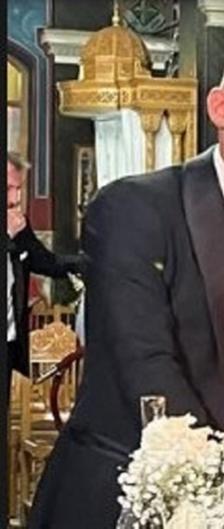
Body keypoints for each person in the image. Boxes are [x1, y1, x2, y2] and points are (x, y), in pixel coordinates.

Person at [30, 32, 224, 528]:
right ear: (221, 108)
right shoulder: (132, 210)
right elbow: (145, 367)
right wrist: (220, 499)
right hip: (118, 501)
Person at [3, 152, 84, 525]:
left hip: (8, 347)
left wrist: (89, 264)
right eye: (9, 188)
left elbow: (44, 262)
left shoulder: (16, 225)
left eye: (18, 189)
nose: (15, 198)